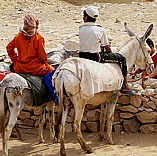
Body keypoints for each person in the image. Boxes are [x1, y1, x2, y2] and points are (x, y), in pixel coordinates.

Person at [79, 6, 135, 95]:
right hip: (96, 57)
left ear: (86, 17)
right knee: (122, 59)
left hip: (82, 56)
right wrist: (109, 51)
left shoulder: (81, 29)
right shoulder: (100, 29)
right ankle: (125, 85)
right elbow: (107, 47)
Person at [6, 13, 58, 104]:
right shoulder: (38, 38)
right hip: (35, 68)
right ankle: (55, 98)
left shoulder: (18, 37)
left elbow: (9, 48)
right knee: (52, 71)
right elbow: (42, 57)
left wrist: (15, 60)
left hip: (20, 67)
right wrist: (45, 63)